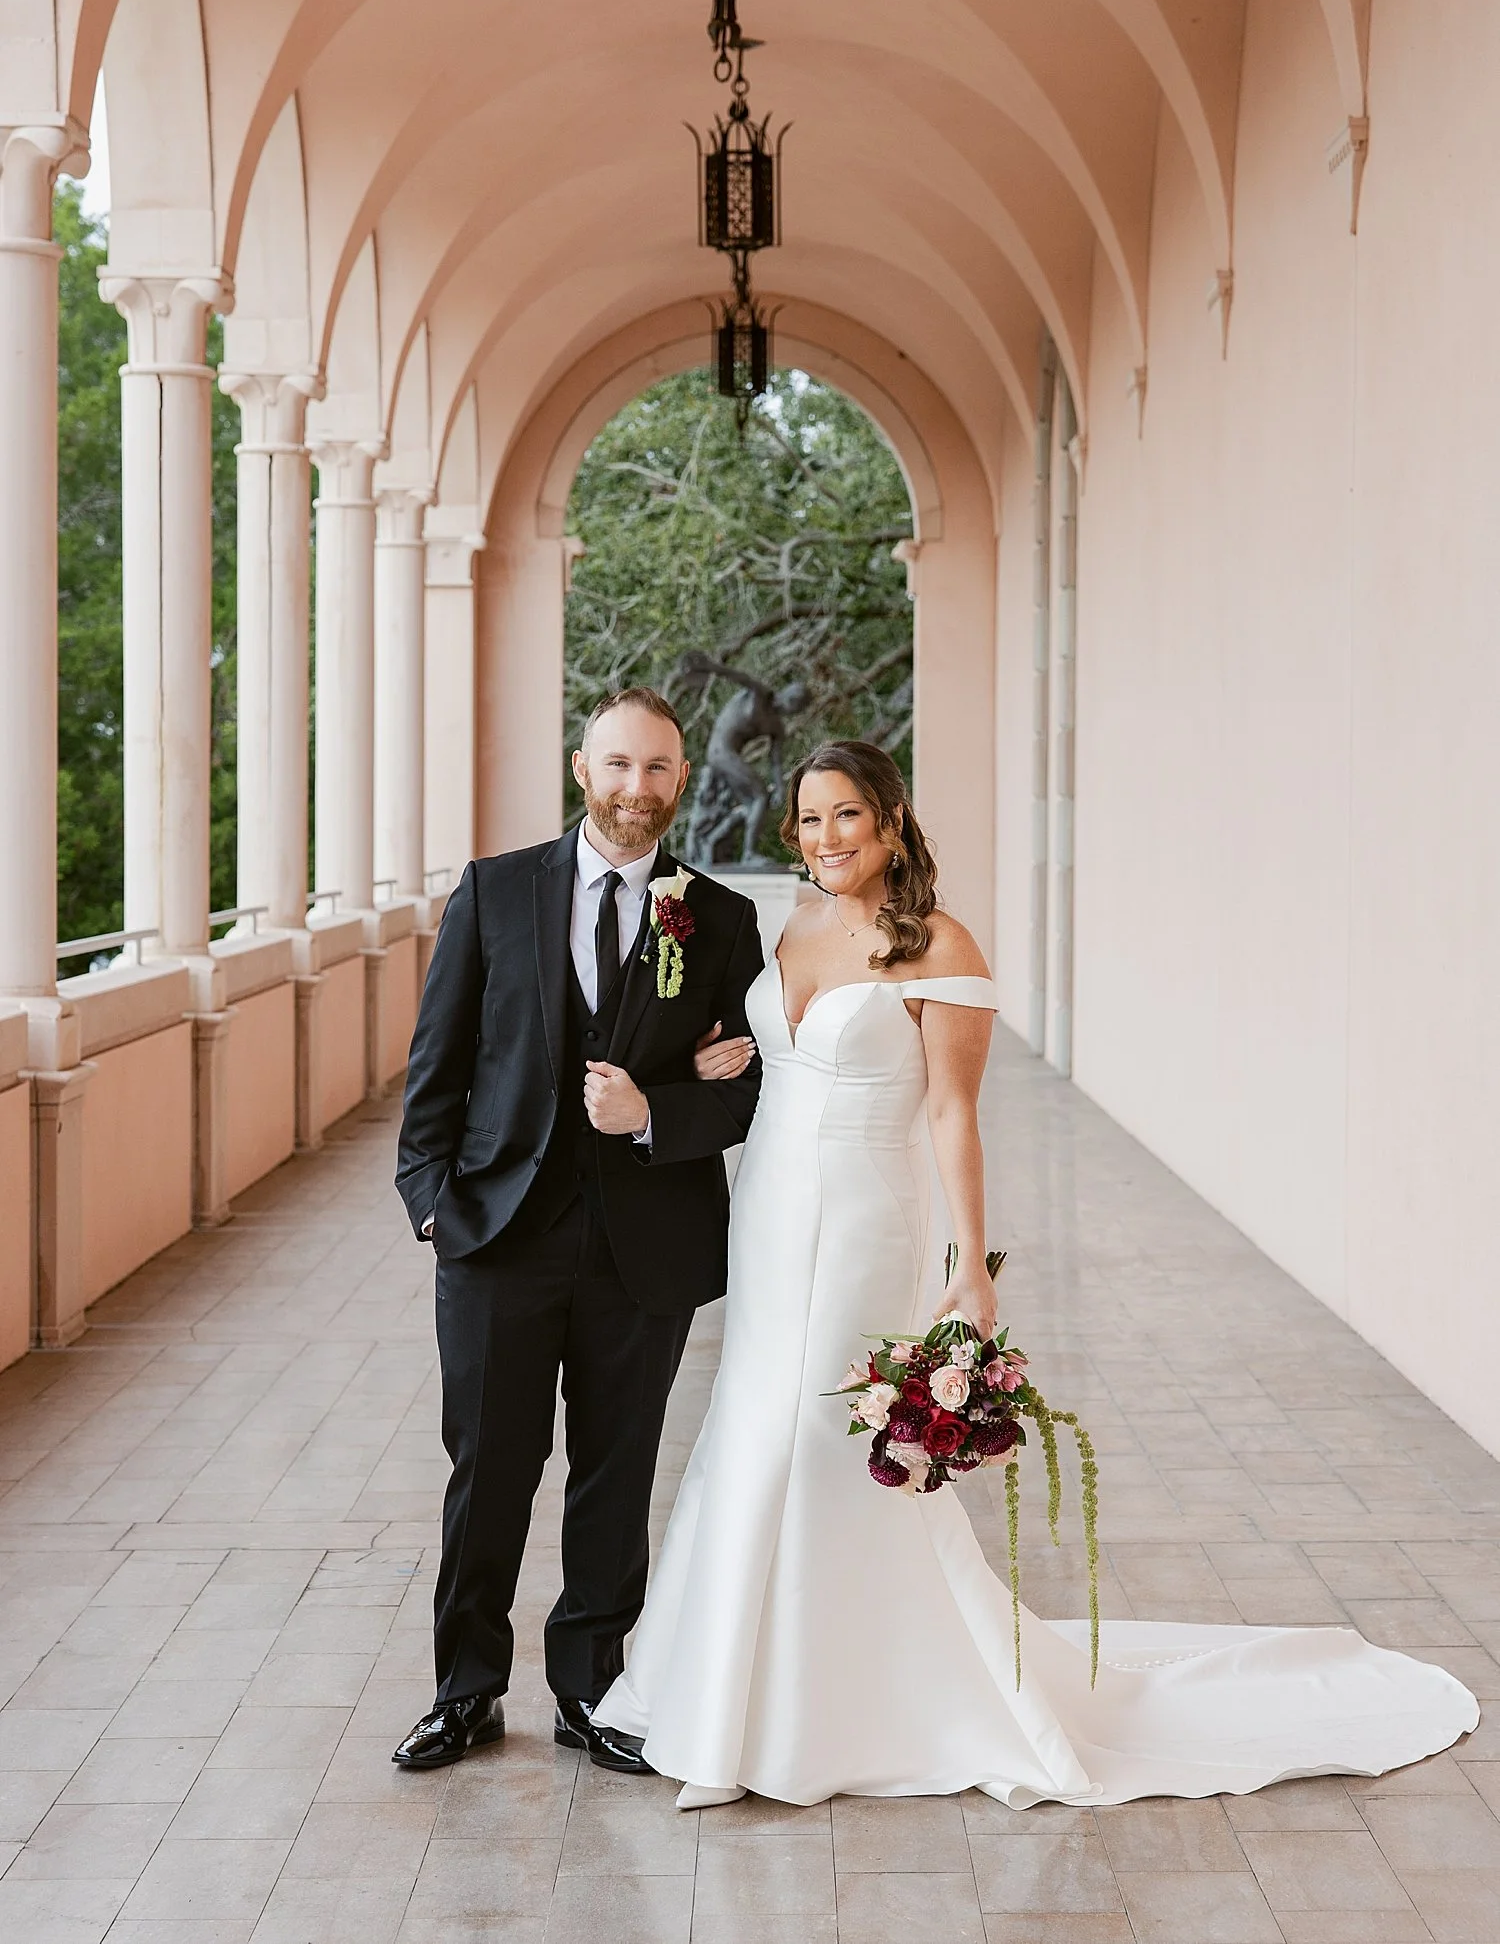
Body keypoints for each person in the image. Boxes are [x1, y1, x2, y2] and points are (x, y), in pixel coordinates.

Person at [594, 739, 1478, 1808]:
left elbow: (954, 1112)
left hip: (867, 1219)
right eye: (811, 820)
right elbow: (765, 1056)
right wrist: (708, 1064)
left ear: (891, 821)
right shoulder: (801, 923)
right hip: (772, 1213)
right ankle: (731, 1686)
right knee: (751, 1421)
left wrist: (971, 1265)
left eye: (847, 819)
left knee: (818, 1436)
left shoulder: (941, 945)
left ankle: (823, 1706)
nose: (826, 839)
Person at [390, 689, 763, 1773]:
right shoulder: (497, 893)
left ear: (681, 781)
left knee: (615, 1469)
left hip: (643, 1243)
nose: (635, 789)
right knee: (489, 1467)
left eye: (656, 769)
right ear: (580, 766)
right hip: (498, 1237)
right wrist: (433, 1208)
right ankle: (465, 1690)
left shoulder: (721, 918)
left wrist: (657, 1112)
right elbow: (437, 1069)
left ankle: (592, 1688)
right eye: (617, 765)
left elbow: (751, 1093)